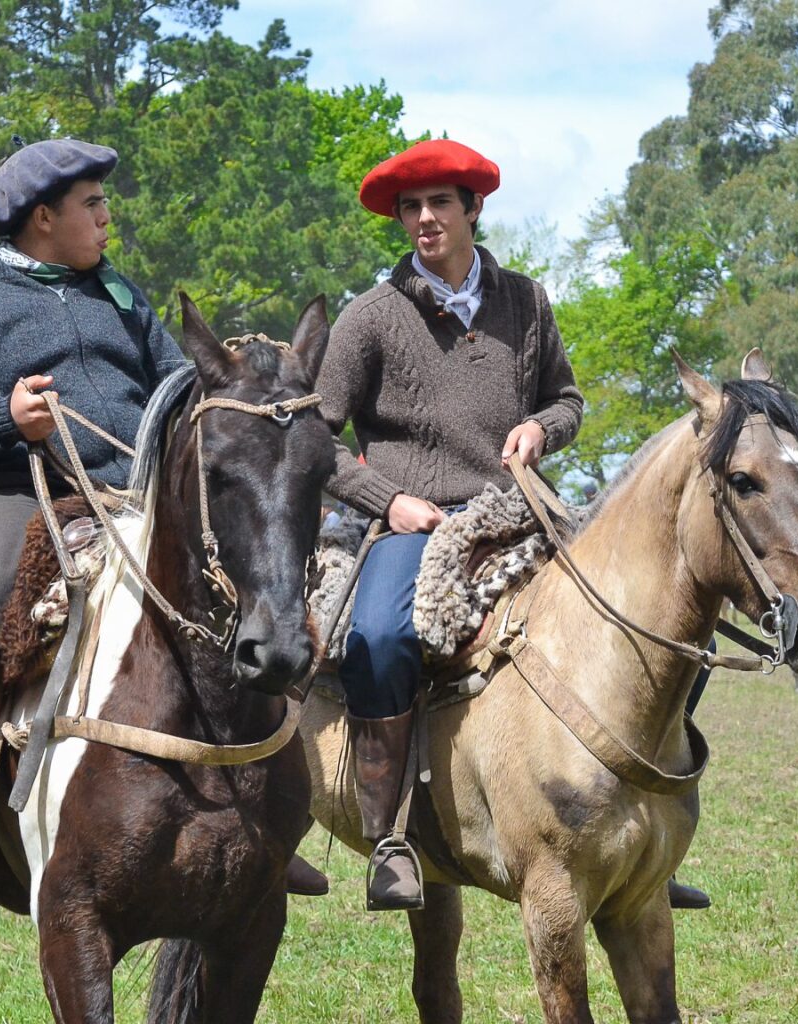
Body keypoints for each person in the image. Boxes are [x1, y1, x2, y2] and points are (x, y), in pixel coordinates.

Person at [0, 137, 197, 908]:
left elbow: (177, 385)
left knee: (231, 582)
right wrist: (5, 415)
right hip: (21, 493)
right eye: (91, 204)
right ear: (41, 218)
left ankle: (254, 807)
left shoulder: (122, 295)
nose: (106, 217)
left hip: (140, 489)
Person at [315, 139, 585, 911]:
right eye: (410, 207)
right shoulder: (369, 317)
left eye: (439, 203)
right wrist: (386, 499)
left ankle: (646, 839)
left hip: (517, 509)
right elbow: (311, 436)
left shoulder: (527, 301)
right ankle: (392, 838)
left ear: (474, 209)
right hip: (409, 523)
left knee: (642, 596)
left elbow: (567, 400)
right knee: (379, 638)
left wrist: (541, 428)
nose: (424, 218)